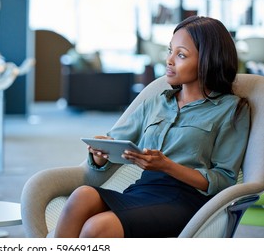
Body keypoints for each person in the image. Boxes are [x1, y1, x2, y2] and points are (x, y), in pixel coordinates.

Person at [54, 15, 251, 238]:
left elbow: (224, 179)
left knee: (96, 228)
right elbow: (113, 147)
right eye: (170, 51)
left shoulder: (232, 109)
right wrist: (101, 153)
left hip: (185, 201)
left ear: (208, 60)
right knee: (81, 196)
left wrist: (166, 166)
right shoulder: (155, 102)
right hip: (141, 191)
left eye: (181, 55)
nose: (169, 60)